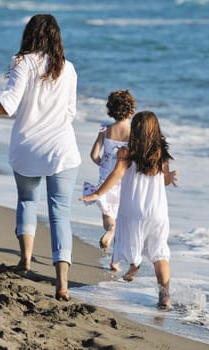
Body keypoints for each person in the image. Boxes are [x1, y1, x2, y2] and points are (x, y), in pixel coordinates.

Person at [0, 14, 81, 302]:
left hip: (29, 147)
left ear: (30, 34)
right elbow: (71, 113)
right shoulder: (69, 69)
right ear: (57, 37)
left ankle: (26, 261)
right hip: (63, 148)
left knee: (27, 201)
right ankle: (61, 284)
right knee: (60, 213)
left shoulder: (22, 62)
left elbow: (8, 105)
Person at [80, 111, 178, 309]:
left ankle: (134, 267)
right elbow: (164, 181)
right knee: (160, 254)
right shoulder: (161, 155)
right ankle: (165, 296)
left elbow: (116, 175)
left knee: (129, 241)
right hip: (157, 212)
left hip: (133, 210)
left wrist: (97, 194)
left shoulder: (125, 153)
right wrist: (171, 177)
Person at [87, 89, 136, 272]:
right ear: (131, 111)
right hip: (126, 180)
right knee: (123, 220)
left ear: (111, 110)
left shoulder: (105, 129)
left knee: (109, 218)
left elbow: (93, 155)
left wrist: (103, 165)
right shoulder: (133, 133)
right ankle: (115, 261)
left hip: (106, 180)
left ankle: (109, 230)